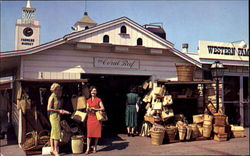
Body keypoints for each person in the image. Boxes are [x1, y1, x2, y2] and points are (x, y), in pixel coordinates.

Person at [47, 83, 68, 156]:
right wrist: (59, 111)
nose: (59, 90)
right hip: (53, 116)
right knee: (56, 132)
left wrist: (61, 111)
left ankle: (52, 149)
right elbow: (48, 108)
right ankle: (55, 150)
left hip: (56, 115)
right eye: (58, 89)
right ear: (55, 89)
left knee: (53, 132)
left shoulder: (56, 97)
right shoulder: (52, 97)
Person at [85, 86, 105, 155]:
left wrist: (95, 109)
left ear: (96, 92)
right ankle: (88, 148)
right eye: (92, 91)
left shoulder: (98, 99)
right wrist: (88, 110)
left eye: (95, 91)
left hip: (96, 118)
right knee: (89, 135)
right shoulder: (88, 100)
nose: (93, 92)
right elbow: (87, 109)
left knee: (96, 134)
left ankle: (95, 147)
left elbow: (102, 108)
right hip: (90, 118)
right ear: (90, 92)